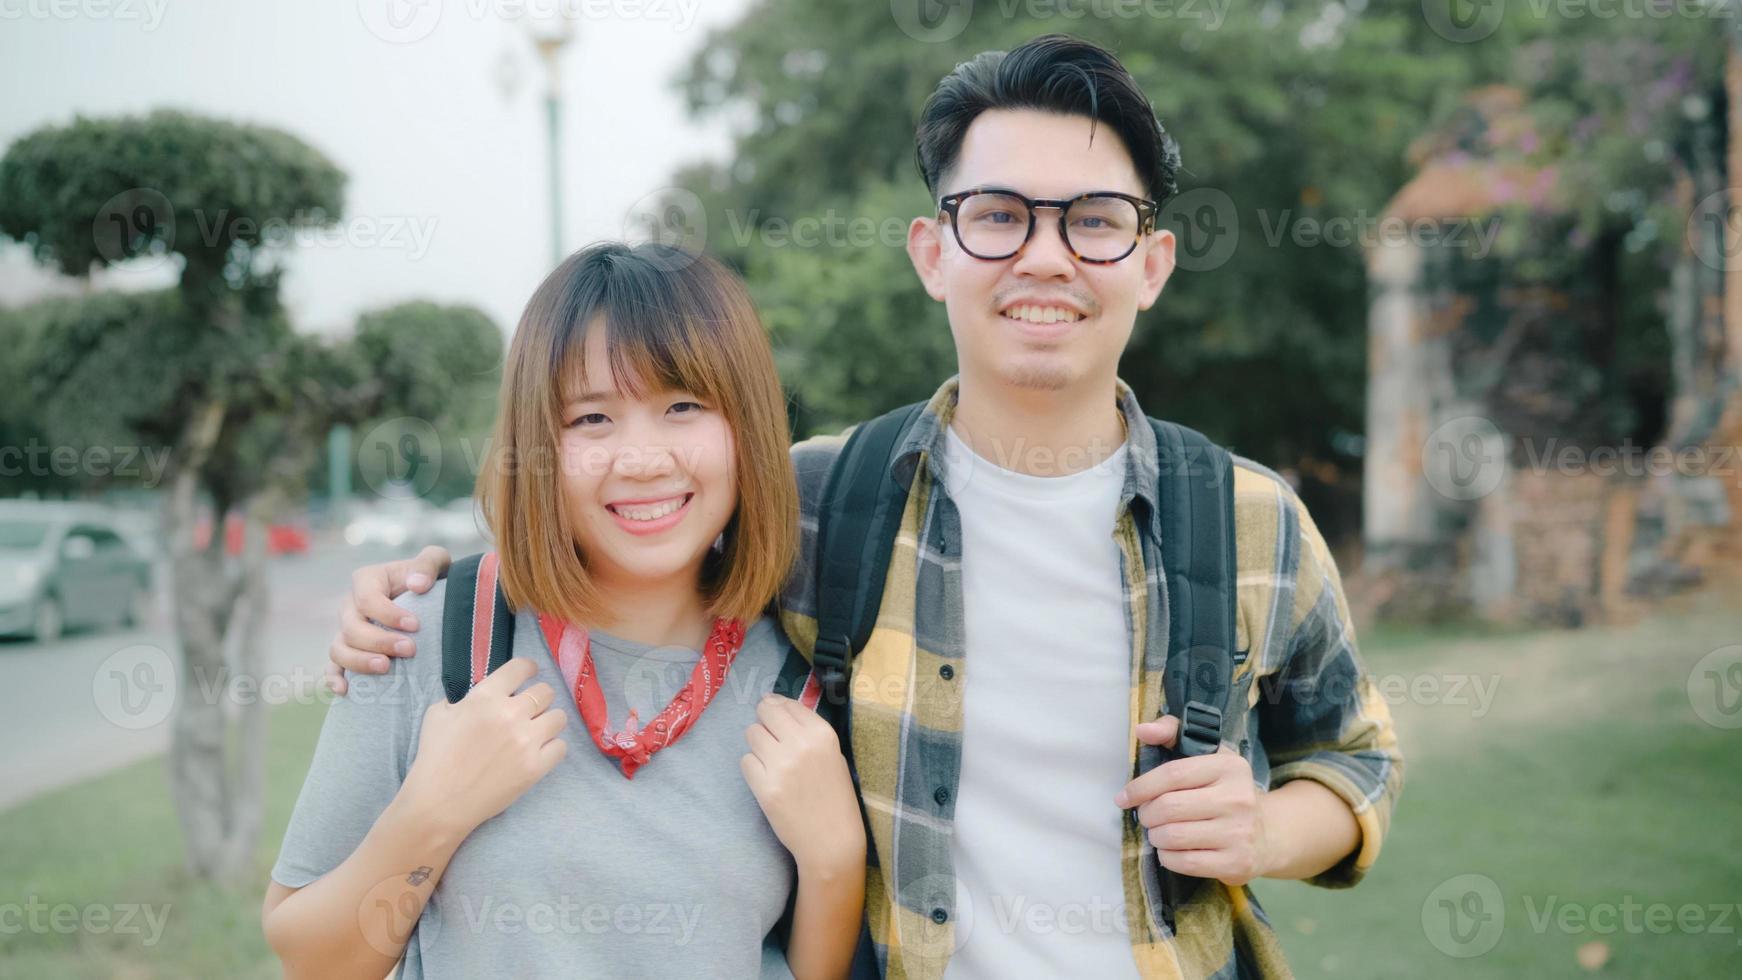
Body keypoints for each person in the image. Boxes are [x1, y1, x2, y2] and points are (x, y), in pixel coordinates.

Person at [322, 34, 1403, 980]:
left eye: (1093, 221)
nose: (1042, 254)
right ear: (932, 253)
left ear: (1151, 262)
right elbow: (619, 521)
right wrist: (423, 584)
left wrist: (1260, 826)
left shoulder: (1250, 519)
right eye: (997, 216)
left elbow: (1354, 758)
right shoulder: (814, 498)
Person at [262, 244, 866, 980]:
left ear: (747, 428)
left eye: (683, 406)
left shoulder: (801, 675)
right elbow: (312, 962)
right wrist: (433, 812)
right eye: (591, 419)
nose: (641, 458)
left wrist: (836, 861)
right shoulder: (428, 636)